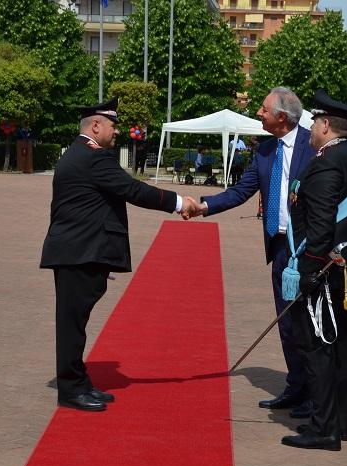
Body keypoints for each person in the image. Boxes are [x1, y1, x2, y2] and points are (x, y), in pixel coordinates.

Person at [39, 98, 194, 412]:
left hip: (78, 250)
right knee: (72, 325)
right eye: (113, 125)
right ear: (96, 125)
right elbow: (133, 190)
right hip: (79, 252)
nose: (117, 131)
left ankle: (78, 382)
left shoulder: (79, 153)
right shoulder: (94, 157)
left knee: (75, 323)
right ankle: (70, 389)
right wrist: (179, 202)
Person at [187, 87, 316, 417]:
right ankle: (296, 387)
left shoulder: (313, 145)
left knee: (308, 323)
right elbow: (241, 191)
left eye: (263, 108)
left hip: (310, 249)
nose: (258, 113)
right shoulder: (265, 149)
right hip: (280, 247)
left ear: (282, 117)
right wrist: (204, 206)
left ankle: (316, 394)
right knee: (286, 322)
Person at [280, 89, 347, 450]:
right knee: (342, 345)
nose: (310, 130)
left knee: (318, 346)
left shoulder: (327, 162)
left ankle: (324, 428)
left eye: (314, 123)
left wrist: (308, 270)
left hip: (325, 271)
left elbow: (320, 223)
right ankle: (338, 422)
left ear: (324, 125)